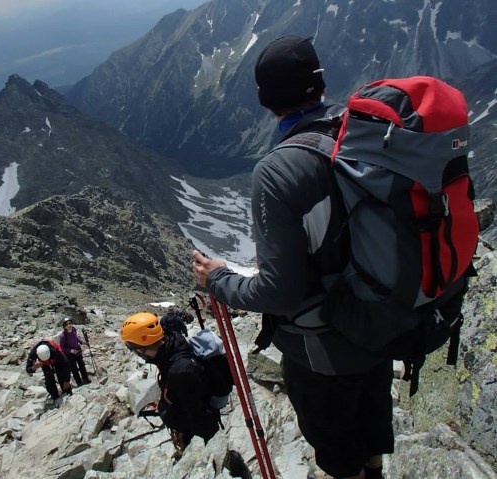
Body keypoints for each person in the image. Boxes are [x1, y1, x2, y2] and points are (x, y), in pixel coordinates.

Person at [191, 36, 393, 479]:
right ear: (320, 83)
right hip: (383, 321)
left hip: (325, 349)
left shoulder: (280, 169)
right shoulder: (362, 130)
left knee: (338, 453)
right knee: (370, 433)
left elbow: (280, 292)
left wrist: (218, 279)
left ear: (266, 100)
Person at [120, 312, 220, 451]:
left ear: (141, 349)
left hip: (199, 434)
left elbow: (196, 415)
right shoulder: (173, 341)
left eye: (132, 349)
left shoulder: (179, 372)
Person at [58, 317, 91, 387]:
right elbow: (62, 348)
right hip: (69, 354)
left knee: (82, 365)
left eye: (70, 323)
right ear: (64, 326)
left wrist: (82, 342)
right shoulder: (62, 336)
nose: (69, 325)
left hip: (77, 350)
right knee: (74, 368)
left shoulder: (73, 330)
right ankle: (79, 382)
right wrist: (71, 351)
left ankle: (85, 378)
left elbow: (76, 338)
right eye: (67, 324)